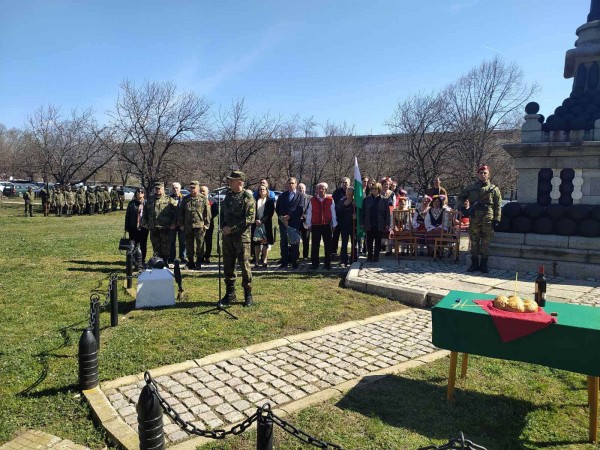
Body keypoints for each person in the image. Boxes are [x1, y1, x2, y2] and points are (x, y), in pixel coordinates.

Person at [219, 170, 255, 307]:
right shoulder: (228, 196)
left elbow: (249, 219)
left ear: (240, 181)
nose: (229, 182)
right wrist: (223, 226)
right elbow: (222, 214)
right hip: (227, 237)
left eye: (232, 180)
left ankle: (248, 294)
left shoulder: (247, 197)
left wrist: (232, 229)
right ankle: (230, 293)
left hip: (241, 237)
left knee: (245, 266)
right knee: (228, 265)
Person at [459, 165, 502, 273]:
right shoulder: (471, 188)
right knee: (474, 241)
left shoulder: (494, 189)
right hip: (474, 217)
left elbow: (498, 205)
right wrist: (463, 208)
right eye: (481, 173)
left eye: (485, 173)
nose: (483, 175)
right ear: (478, 175)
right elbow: (460, 197)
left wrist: (496, 219)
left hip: (487, 217)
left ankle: (484, 264)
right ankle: (474, 264)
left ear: (488, 175)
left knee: (486, 242)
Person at [275, 177, 308, 269]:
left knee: (294, 243)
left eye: (292, 183)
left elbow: (301, 209)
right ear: (287, 184)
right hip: (283, 223)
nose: (291, 185)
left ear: (296, 184)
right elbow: (278, 209)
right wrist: (283, 218)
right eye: (289, 183)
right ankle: (284, 262)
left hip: (294, 223)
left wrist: (289, 216)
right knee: (283, 243)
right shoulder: (282, 196)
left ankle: (294, 262)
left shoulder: (301, 196)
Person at [142, 182, 178, 262]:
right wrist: (145, 223)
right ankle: (157, 261)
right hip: (153, 227)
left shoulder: (169, 199)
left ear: (163, 189)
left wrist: (173, 223)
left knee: (166, 246)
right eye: (156, 189)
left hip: (165, 227)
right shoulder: (150, 200)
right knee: (155, 245)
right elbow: (145, 213)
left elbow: (176, 213)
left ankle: (165, 261)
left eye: (159, 189)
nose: (158, 190)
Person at [178, 181, 211, 270]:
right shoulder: (186, 199)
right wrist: (181, 224)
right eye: (191, 188)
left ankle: (199, 262)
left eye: (194, 188)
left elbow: (207, 212)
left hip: (199, 225)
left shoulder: (203, 198)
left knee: (200, 244)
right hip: (188, 225)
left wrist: (207, 224)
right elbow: (181, 212)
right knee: (189, 244)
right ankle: (191, 262)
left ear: (198, 188)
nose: (192, 190)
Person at [307, 182, 337, 270]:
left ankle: (327, 264)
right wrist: (309, 224)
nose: (320, 190)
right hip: (315, 225)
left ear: (326, 190)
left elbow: (333, 212)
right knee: (315, 245)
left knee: (328, 245)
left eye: (322, 188)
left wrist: (334, 224)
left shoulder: (330, 199)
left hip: (327, 225)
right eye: (319, 188)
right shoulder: (312, 200)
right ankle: (314, 264)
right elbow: (309, 212)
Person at [362, 182, 390, 262]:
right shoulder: (366, 199)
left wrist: (387, 224)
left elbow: (387, 213)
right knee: (369, 241)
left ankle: (376, 256)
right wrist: (362, 223)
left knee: (378, 241)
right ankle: (369, 256)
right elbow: (363, 212)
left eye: (375, 189)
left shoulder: (384, 200)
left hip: (379, 224)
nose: (373, 190)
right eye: (372, 188)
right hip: (369, 223)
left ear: (379, 190)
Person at [251, 184, 275, 267]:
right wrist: (256, 220)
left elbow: (270, 213)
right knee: (257, 243)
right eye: (260, 189)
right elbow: (252, 212)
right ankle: (257, 261)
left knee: (265, 243)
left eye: (263, 189)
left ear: (266, 190)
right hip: (256, 224)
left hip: (266, 224)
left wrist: (262, 220)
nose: (262, 191)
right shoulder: (254, 200)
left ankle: (264, 260)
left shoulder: (270, 201)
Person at [125, 188, 149, 264]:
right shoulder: (131, 203)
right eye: (138, 192)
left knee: (143, 244)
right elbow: (127, 216)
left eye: (141, 192)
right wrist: (126, 227)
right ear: (136, 193)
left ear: (144, 194)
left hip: (144, 227)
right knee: (133, 244)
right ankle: (132, 259)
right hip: (133, 227)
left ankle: (142, 259)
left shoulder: (147, 203)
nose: (140, 193)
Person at [336, 186, 356, 267]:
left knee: (354, 243)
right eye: (348, 194)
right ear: (346, 194)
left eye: (351, 194)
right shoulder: (342, 201)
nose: (350, 196)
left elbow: (360, 212)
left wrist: (356, 216)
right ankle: (343, 260)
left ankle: (353, 259)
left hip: (353, 226)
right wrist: (344, 205)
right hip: (344, 225)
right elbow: (338, 211)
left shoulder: (356, 202)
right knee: (344, 243)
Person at [331, 177, 350, 256]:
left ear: (349, 183)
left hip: (347, 219)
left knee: (345, 238)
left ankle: (343, 253)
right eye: (343, 182)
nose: (344, 184)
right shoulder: (337, 192)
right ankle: (333, 252)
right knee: (335, 236)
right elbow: (333, 204)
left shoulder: (351, 191)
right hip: (338, 218)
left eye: (346, 182)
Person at [169, 182, 187, 263]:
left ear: (180, 189)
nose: (175, 189)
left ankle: (183, 257)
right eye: (173, 188)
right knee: (171, 241)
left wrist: (183, 223)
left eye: (176, 188)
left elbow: (186, 212)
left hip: (182, 224)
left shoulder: (184, 198)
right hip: (172, 224)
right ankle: (171, 257)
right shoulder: (168, 198)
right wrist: (170, 223)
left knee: (183, 241)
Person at [201, 185, 218, 264]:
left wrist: (208, 218)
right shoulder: (198, 200)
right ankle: (200, 257)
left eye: (203, 191)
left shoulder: (212, 200)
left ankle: (207, 256)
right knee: (200, 241)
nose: (202, 192)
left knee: (208, 241)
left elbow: (215, 211)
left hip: (209, 224)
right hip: (199, 224)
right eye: (201, 191)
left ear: (207, 192)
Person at [298, 182, 311, 260]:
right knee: (295, 240)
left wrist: (304, 216)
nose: (301, 189)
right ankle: (296, 254)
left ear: (305, 189)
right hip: (296, 222)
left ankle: (305, 256)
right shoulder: (295, 197)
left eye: (302, 188)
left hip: (306, 222)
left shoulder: (310, 198)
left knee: (306, 240)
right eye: (299, 188)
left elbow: (310, 209)